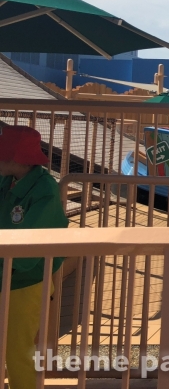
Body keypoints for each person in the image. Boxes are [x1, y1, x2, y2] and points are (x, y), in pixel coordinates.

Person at [0, 126, 69, 389]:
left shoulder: (45, 191)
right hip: (4, 273)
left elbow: (30, 250)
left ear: (17, 159)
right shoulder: (8, 179)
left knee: (17, 350)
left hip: (25, 283)